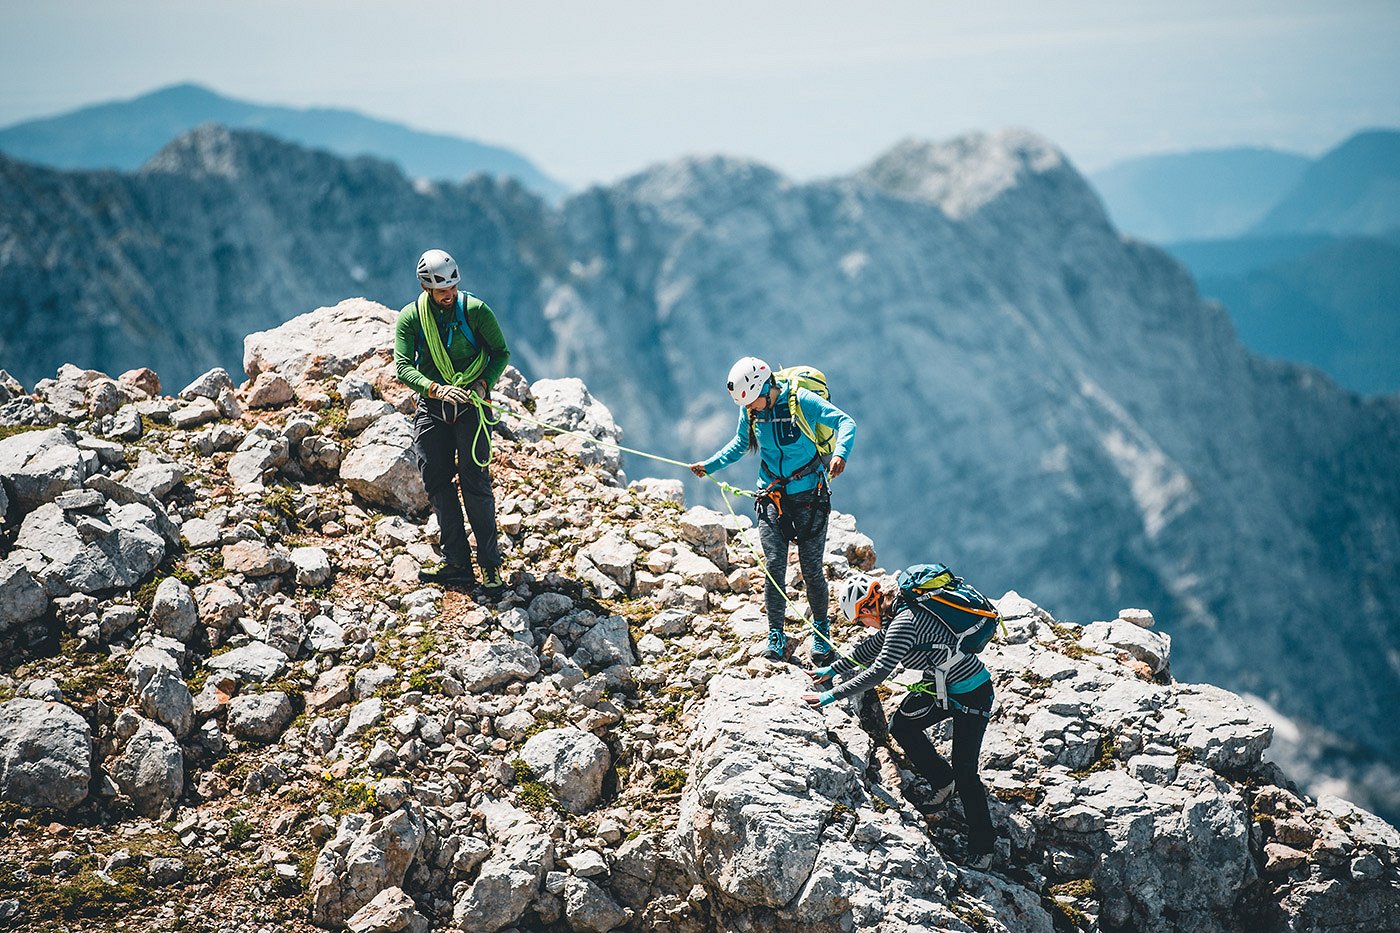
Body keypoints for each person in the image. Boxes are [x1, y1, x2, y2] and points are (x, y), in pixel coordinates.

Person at [805, 572, 997, 871]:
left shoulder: (903, 622)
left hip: (973, 695)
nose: (862, 626)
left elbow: (879, 670)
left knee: (966, 771)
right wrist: (832, 668)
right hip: (940, 687)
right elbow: (869, 649)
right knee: (902, 726)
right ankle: (942, 782)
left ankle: (983, 848)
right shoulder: (898, 616)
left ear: (868, 609)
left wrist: (831, 696)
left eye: (859, 620)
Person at [690, 357, 856, 663]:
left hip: (810, 492)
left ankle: (821, 633)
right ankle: (775, 633)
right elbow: (741, 443)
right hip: (771, 493)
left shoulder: (801, 401)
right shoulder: (751, 410)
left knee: (810, 567)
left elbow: (846, 422)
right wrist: (709, 466)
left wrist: (841, 454)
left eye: (754, 401)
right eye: (748, 404)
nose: (751, 408)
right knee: (774, 564)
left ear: (767, 386)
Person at [393, 248, 510, 592]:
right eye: (442, 291)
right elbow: (403, 366)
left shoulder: (475, 311)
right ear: (427, 288)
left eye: (453, 288)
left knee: (475, 483)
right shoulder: (411, 318)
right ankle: (456, 562)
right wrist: (435, 389)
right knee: (437, 481)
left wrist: (483, 382)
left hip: (473, 405)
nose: (449, 295)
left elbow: (500, 353)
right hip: (433, 408)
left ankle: (490, 567)